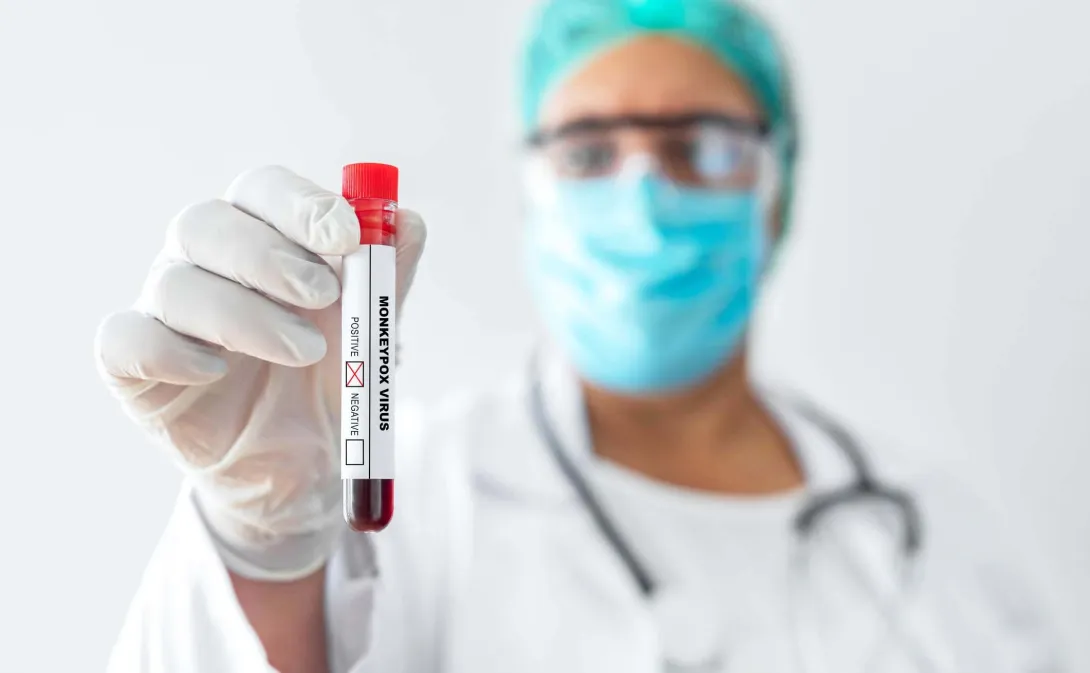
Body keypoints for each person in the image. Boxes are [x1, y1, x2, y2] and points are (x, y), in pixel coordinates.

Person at [95, 0, 1064, 671]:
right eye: (591, 151)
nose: (643, 192)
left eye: (698, 147)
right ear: (533, 193)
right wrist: (263, 540)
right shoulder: (409, 498)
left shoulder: (939, 536)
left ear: (778, 189)